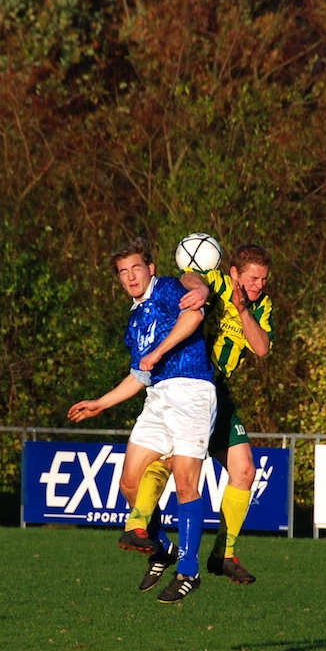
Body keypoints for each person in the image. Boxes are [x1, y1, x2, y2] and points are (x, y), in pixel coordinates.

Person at [68, 239, 215, 603]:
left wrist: (160, 350)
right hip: (158, 396)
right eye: (123, 272)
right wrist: (100, 404)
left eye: (136, 268)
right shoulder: (135, 319)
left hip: (191, 390)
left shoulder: (165, 288)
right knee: (129, 482)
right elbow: (140, 374)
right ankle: (162, 548)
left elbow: (194, 314)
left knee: (185, 483)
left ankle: (189, 569)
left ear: (150, 268)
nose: (131, 277)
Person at [121, 242, 275, 586]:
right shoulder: (215, 282)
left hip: (219, 394)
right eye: (253, 278)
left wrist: (243, 311)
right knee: (167, 463)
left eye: (264, 279)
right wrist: (202, 290)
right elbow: (189, 278)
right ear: (233, 273)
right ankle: (155, 539)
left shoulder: (261, 305)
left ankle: (223, 554)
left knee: (245, 471)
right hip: (190, 387)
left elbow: (262, 348)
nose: (259, 285)